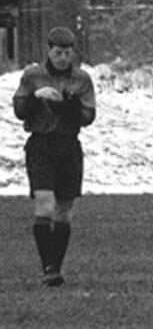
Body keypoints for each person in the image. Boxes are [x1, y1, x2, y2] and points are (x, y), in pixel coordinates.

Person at [12, 27, 96, 287]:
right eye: (58, 52)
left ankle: (53, 268)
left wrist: (65, 105)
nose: (62, 58)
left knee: (64, 210)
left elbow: (87, 117)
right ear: (49, 50)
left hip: (68, 146)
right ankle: (48, 266)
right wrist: (37, 99)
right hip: (41, 146)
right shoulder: (32, 75)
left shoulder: (82, 79)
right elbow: (20, 111)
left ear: (73, 53)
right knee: (45, 205)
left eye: (67, 53)